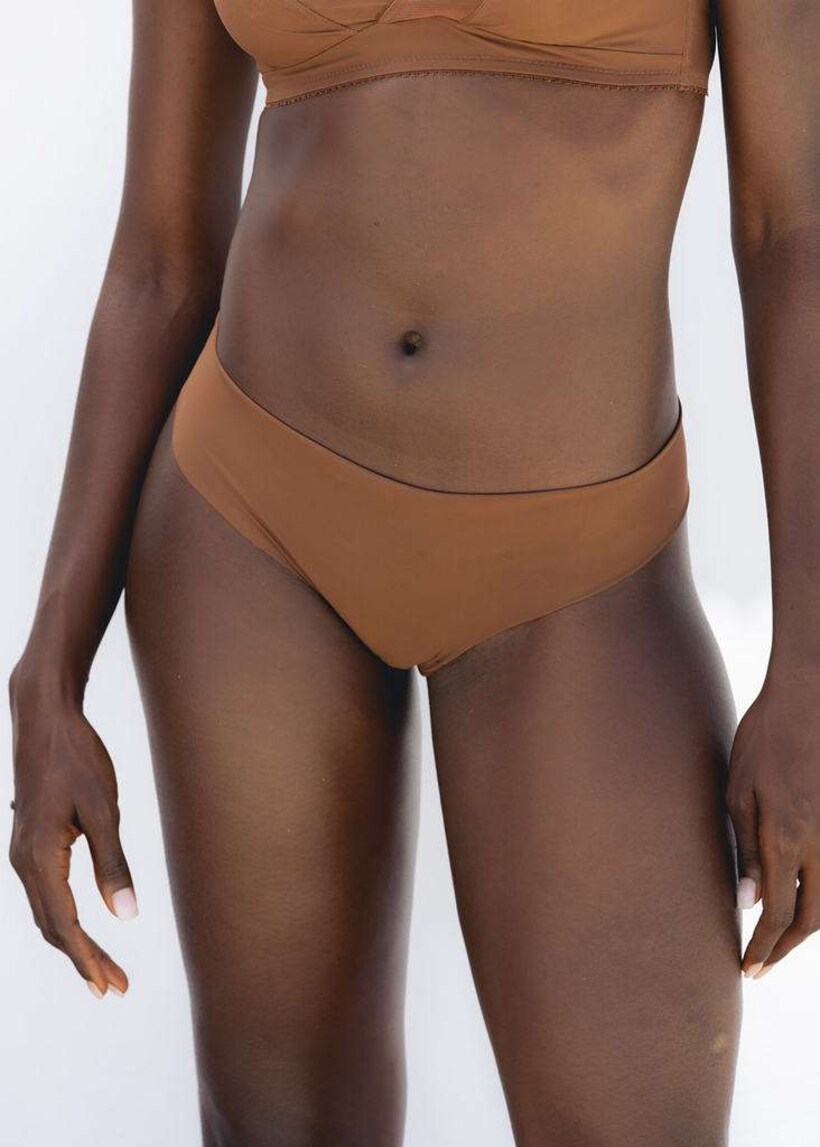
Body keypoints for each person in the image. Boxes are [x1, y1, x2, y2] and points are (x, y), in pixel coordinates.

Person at [8, 1, 819, 1143]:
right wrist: (47, 670)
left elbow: (793, 233)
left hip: (582, 561)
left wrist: (810, 663)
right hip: (250, 523)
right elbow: (159, 260)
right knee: (275, 1126)